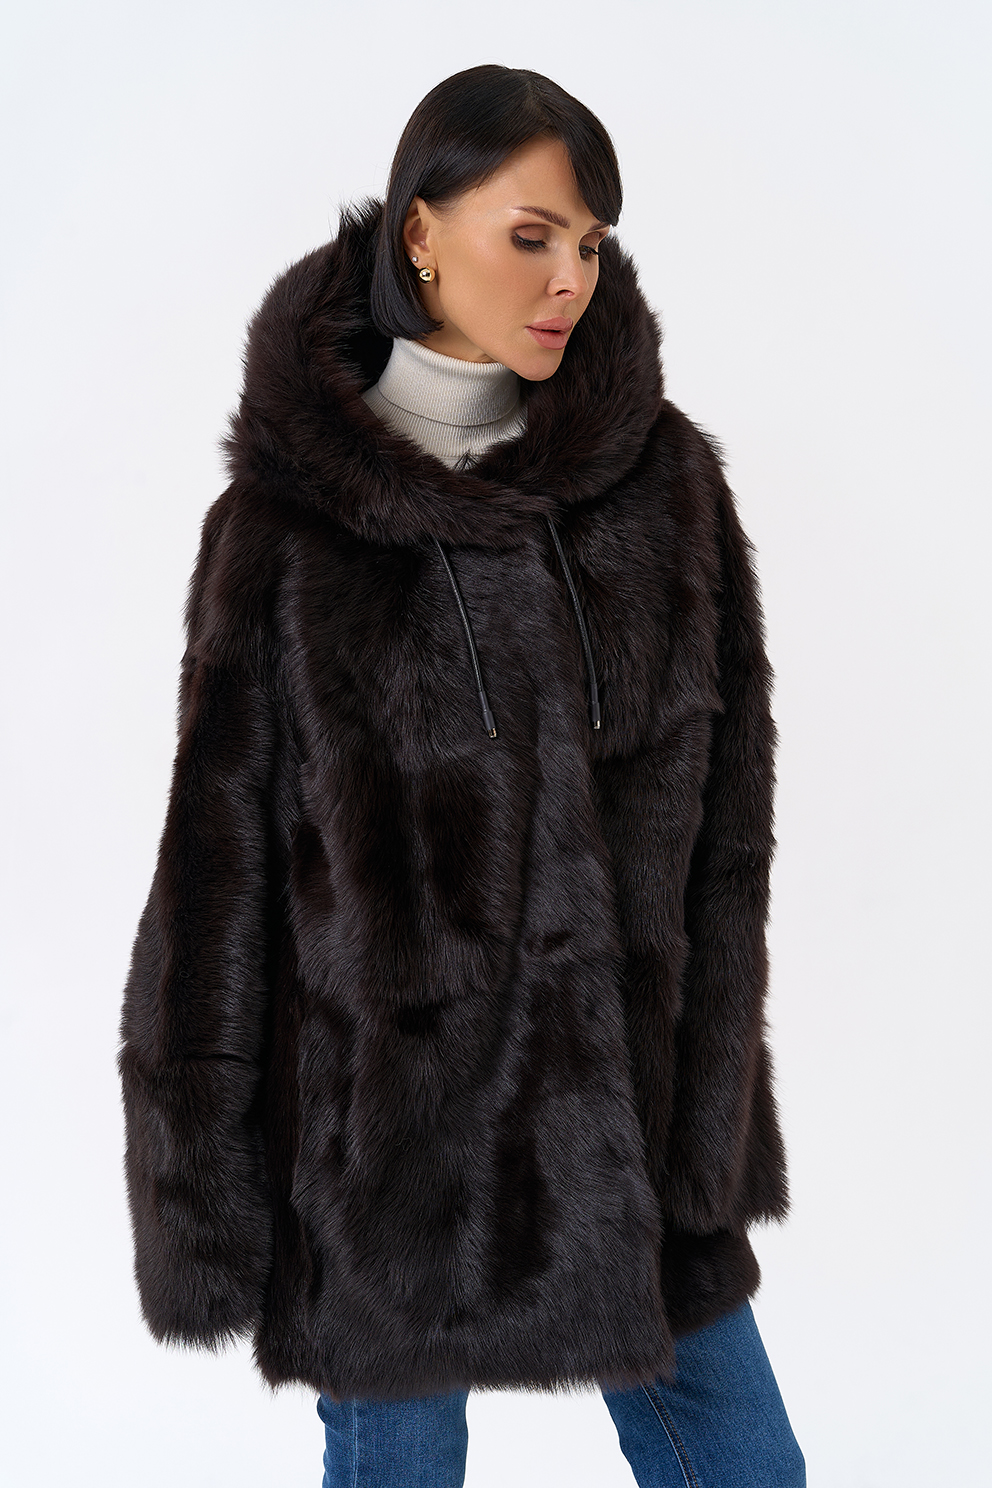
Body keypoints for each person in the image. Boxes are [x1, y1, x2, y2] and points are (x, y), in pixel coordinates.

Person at [117, 64, 805, 1487]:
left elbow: (729, 838)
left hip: (627, 1125)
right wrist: (202, 1183)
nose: (569, 281)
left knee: (751, 1467)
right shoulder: (287, 529)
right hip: (382, 1158)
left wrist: (711, 1119)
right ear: (420, 233)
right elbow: (215, 865)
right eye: (532, 234)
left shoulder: (663, 487)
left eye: (591, 245)